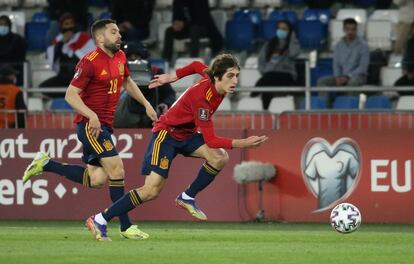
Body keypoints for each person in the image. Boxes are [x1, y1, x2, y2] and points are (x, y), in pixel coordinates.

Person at [85, 54, 269, 241]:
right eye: (230, 76)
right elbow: (211, 140)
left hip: (187, 134)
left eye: (237, 75)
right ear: (217, 77)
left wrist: (173, 77)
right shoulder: (202, 100)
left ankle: (187, 196)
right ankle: (100, 219)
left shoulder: (211, 78)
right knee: (151, 190)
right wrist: (243, 143)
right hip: (166, 134)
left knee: (219, 157)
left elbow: (197, 65)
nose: (235, 81)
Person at [22, 19, 158, 240]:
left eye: (118, 31)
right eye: (113, 32)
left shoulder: (121, 57)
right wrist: (91, 115)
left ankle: (46, 164)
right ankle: (124, 226)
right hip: (90, 126)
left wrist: (146, 104)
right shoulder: (89, 62)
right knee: (118, 170)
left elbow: (127, 82)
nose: (119, 35)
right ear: (100, 38)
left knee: (96, 179)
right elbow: (70, 95)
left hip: (104, 125)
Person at [114, 41, 176, 128]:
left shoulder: (156, 72)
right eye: (130, 57)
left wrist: (165, 104)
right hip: (124, 116)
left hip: (152, 115)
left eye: (137, 57)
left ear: (144, 57)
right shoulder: (118, 73)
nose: (134, 60)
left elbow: (170, 94)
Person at [40, 13, 95, 98]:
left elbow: (91, 58)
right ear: (61, 27)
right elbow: (53, 62)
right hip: (63, 77)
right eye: (66, 24)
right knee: (43, 87)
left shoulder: (83, 37)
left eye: (71, 23)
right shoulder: (58, 41)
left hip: (79, 77)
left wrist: (73, 46)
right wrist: (62, 43)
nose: (69, 27)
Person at [317, 18, 369, 101]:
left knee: (353, 82)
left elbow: (363, 67)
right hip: (341, 76)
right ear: (343, 30)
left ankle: (349, 109)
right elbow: (336, 63)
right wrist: (337, 77)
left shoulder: (363, 45)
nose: (350, 32)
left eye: (353, 29)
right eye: (348, 29)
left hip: (357, 76)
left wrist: (348, 77)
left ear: (356, 30)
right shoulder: (338, 45)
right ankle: (325, 110)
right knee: (322, 81)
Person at [253, 20, 300, 109]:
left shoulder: (293, 44)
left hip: (286, 74)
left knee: (266, 82)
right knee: (268, 81)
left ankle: (257, 98)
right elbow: (261, 59)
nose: (281, 30)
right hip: (270, 74)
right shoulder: (269, 44)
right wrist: (263, 70)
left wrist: (293, 39)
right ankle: (265, 110)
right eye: (279, 28)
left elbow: (293, 54)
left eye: (284, 29)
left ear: (290, 31)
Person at [0, 15, 26, 86]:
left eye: (5, 25)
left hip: (14, 72)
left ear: (9, 26)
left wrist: (12, 72)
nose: (2, 27)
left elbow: (20, 60)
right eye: (1, 25)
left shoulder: (18, 40)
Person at [394, 23, 414, 94]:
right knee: (398, 85)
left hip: (412, 74)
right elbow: (405, 59)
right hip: (409, 74)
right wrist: (405, 69)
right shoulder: (410, 43)